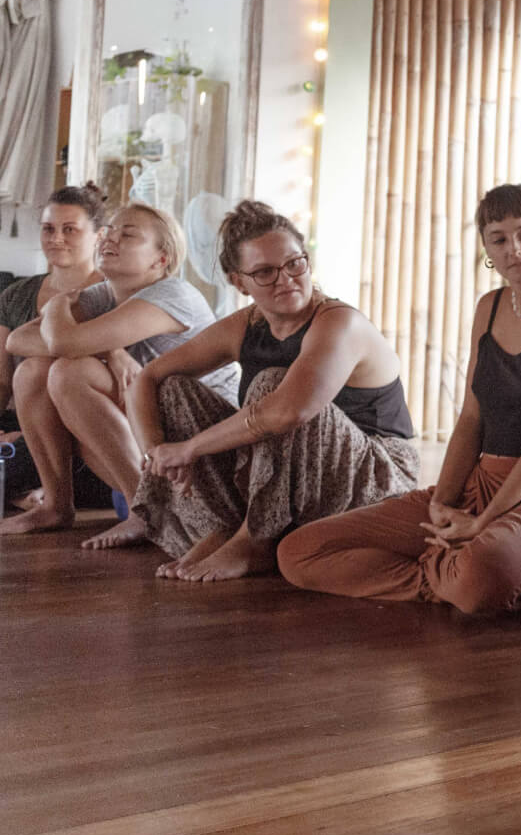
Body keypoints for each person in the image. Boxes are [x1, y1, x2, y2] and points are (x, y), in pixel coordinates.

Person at [278, 184, 521, 614]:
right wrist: (442, 503)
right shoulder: (489, 307)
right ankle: (436, 581)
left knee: (479, 573)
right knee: (298, 552)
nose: (515, 249)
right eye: (500, 239)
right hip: (482, 480)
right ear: (487, 246)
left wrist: (483, 523)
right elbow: (471, 419)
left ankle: (457, 576)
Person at [128, 201, 418, 580]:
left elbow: (287, 411)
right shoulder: (246, 324)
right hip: (292, 478)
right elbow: (146, 379)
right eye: (265, 272)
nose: (286, 279)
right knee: (174, 390)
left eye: (295, 263)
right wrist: (157, 452)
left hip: (378, 476)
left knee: (274, 386)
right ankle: (223, 528)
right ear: (238, 281)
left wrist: (189, 448)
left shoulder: (339, 322)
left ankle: (255, 541)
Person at [2, 203, 234, 540]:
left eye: (128, 235)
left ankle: (145, 511)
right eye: (110, 231)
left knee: (69, 373)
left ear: (161, 260)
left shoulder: (172, 294)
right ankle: (56, 506)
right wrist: (111, 350)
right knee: (32, 373)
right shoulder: (105, 295)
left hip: (202, 444)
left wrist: (56, 307)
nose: (111, 239)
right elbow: (18, 341)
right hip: (151, 434)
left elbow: (65, 343)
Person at [0, 185, 112, 515]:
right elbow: (2, 381)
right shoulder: (16, 295)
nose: (56, 239)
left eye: (69, 229)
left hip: (79, 438)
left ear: (99, 235)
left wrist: (25, 434)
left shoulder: (111, 295)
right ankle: (26, 494)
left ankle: (40, 496)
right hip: (18, 426)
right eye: (48, 229)